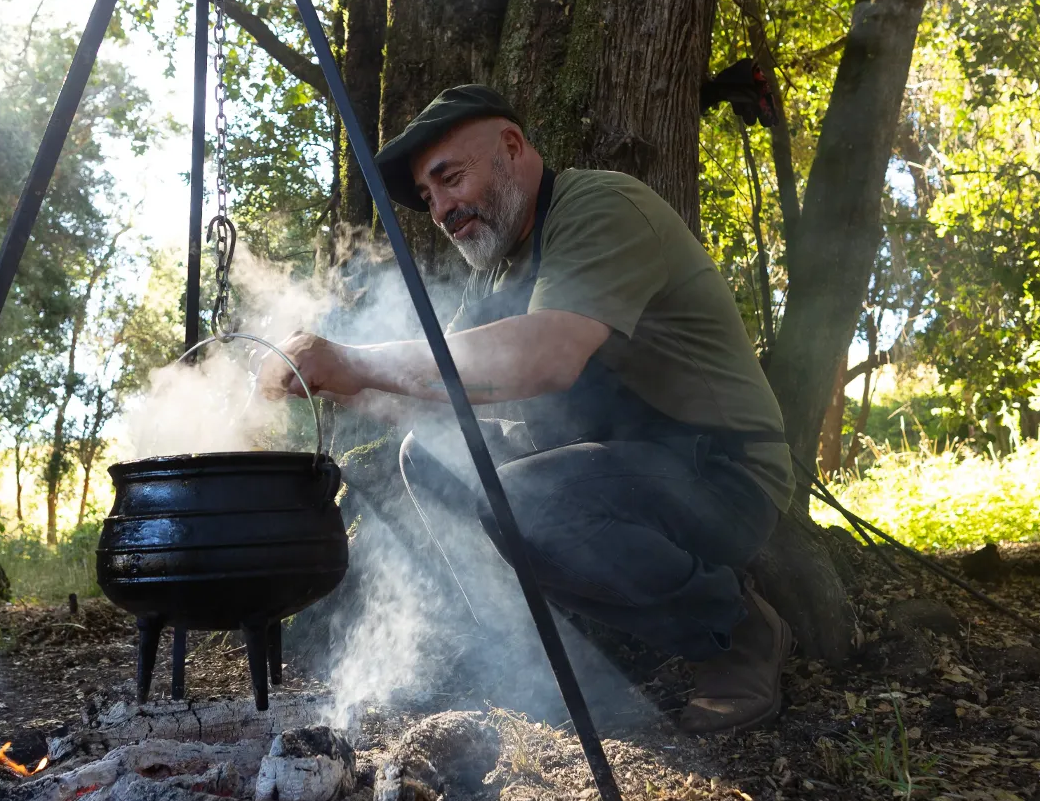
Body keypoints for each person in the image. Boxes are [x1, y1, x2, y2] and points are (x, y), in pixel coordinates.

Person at [261, 85, 794, 732]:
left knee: (526, 504)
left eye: (449, 178)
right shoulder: (495, 268)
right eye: (429, 199)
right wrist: (342, 384)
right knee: (426, 455)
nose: (442, 209)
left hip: (721, 475)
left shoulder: (602, 207)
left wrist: (354, 358)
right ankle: (534, 655)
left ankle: (736, 629)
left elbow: (548, 356)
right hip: (618, 466)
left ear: (511, 148)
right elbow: (443, 390)